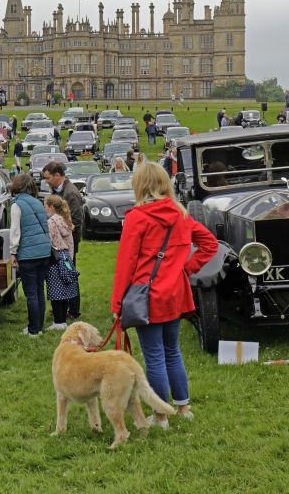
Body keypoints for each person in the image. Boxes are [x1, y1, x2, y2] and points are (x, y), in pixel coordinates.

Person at [111, 163, 218, 429]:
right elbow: (210, 244)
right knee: (172, 351)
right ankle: (183, 407)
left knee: (155, 356)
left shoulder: (137, 217)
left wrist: (118, 302)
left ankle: (160, 416)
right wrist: (186, 269)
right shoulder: (181, 214)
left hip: (147, 296)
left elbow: (126, 264)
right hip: (175, 294)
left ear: (139, 185)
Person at [10, 174, 52, 336]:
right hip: (44, 252)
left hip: (28, 254)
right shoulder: (38, 202)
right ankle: (38, 327)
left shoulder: (17, 205)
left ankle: (33, 330)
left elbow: (15, 231)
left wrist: (13, 252)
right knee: (39, 291)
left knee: (31, 294)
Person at [42, 161, 83, 318]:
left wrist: (67, 242)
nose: (46, 181)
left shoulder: (71, 193)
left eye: (48, 178)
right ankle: (62, 307)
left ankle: (73, 310)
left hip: (67, 245)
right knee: (62, 275)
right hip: (61, 245)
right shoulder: (57, 190)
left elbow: (77, 220)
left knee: (69, 275)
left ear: (57, 175)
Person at [44, 194, 79, 330]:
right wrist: (69, 258)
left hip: (55, 258)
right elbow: (70, 243)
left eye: (45, 206)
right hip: (66, 258)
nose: (44, 209)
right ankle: (62, 320)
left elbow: (50, 240)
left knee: (55, 292)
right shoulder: (65, 220)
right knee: (64, 291)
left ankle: (58, 322)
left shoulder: (51, 222)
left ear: (51, 207)